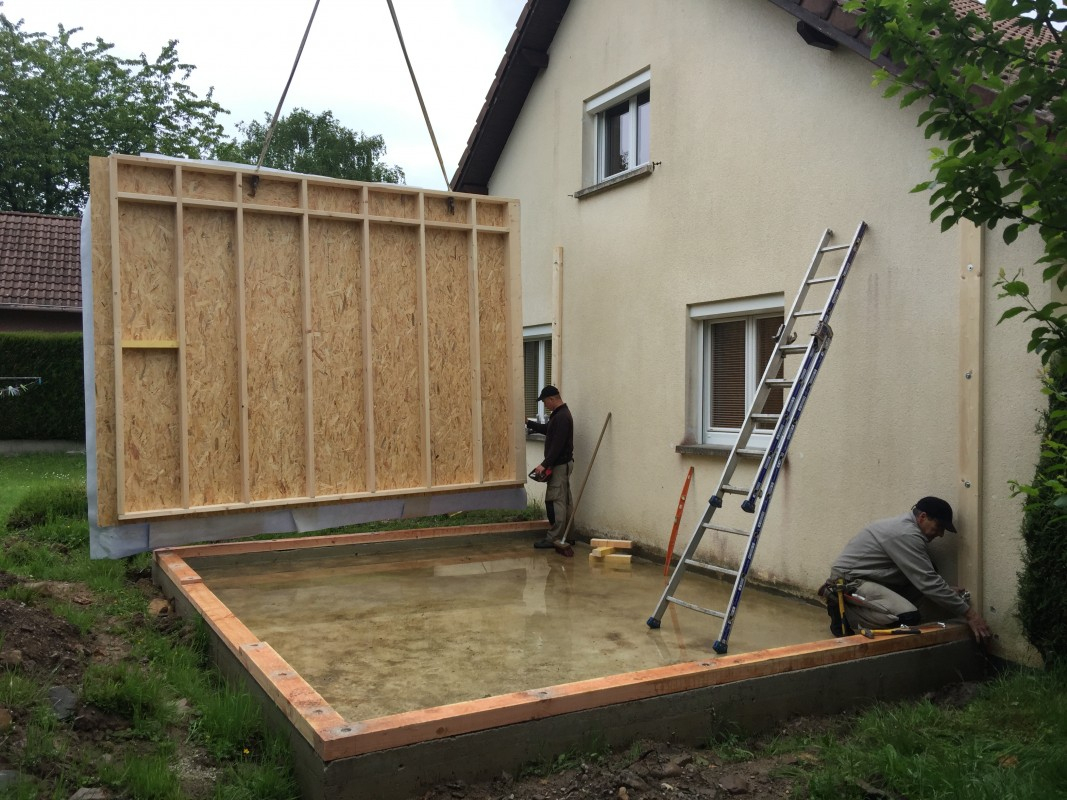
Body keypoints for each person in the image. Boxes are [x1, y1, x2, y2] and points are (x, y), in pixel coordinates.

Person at [822, 496, 993, 643]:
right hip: (849, 581)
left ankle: (854, 608)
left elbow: (925, 576)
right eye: (939, 526)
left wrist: (944, 590)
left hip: (870, 577)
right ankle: (842, 612)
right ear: (923, 517)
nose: (940, 534)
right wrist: (970, 615)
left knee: (928, 572)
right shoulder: (905, 534)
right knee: (907, 617)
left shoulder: (907, 530)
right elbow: (928, 582)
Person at [525, 385, 574, 549]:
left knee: (556, 501)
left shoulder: (562, 417)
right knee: (564, 500)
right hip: (562, 464)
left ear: (553, 399)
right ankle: (567, 535)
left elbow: (558, 445)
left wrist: (544, 464)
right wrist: (529, 423)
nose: (545, 405)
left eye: (545, 402)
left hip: (559, 465)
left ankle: (554, 538)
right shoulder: (559, 415)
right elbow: (548, 430)